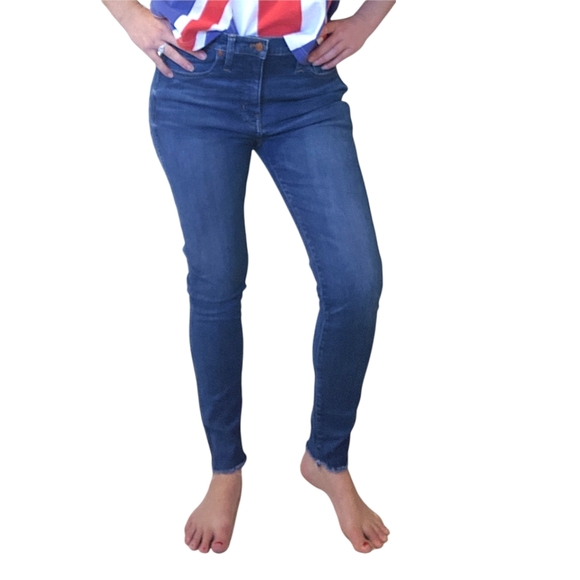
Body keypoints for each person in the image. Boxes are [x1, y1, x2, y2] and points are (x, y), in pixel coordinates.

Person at [102, 0, 396, 554]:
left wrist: (364, 22)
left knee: (356, 282)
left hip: (304, 81)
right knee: (216, 280)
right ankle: (225, 469)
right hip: (196, 78)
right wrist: (128, 16)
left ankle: (327, 458)